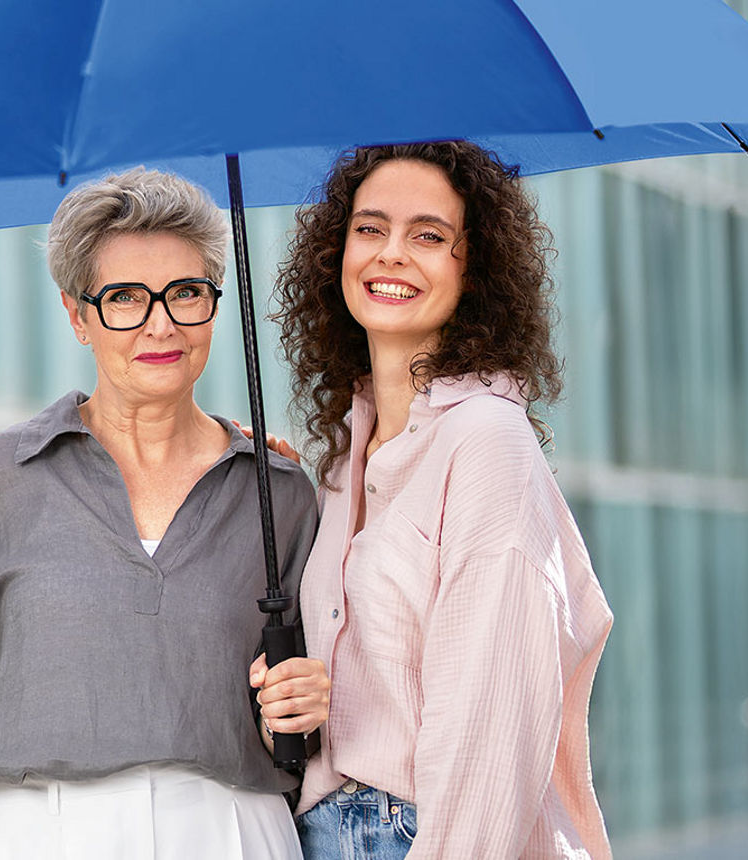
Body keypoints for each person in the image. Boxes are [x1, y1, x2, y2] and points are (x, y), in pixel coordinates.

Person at [0, 167, 330, 860]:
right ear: (78, 315)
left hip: (234, 832)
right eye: (125, 297)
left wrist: (299, 708)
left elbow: (302, 737)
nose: (161, 324)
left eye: (186, 293)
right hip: (42, 834)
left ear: (214, 304)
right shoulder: (5, 476)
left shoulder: (282, 495)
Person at [272, 141, 613, 858]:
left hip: (421, 836)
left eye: (428, 235)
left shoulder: (485, 441)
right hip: (324, 831)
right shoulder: (348, 450)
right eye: (369, 228)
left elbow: (493, 728)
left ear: (475, 267)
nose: (391, 252)